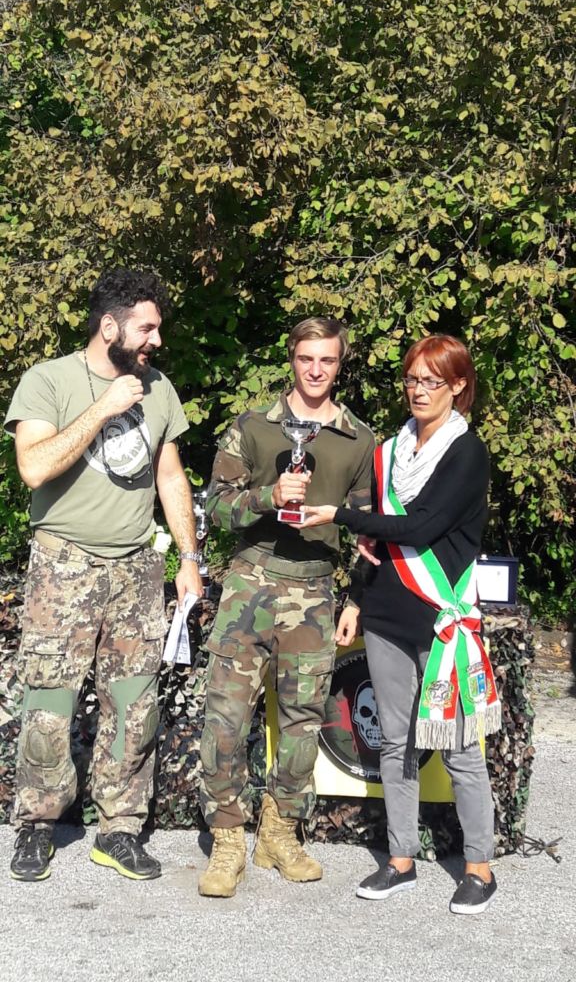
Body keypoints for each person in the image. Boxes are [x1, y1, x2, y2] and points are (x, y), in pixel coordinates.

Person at [5, 267, 202, 883]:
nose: (156, 341)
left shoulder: (159, 387)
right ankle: (38, 824)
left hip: (137, 568)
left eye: (158, 329)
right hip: (64, 564)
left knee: (133, 704)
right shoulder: (49, 380)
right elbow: (34, 467)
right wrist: (104, 406)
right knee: (49, 700)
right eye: (147, 328)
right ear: (110, 326)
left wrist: (189, 559)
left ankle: (119, 829)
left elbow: (169, 475)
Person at [297, 334, 501, 915]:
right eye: (412, 379)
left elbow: (419, 527)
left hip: (440, 621)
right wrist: (356, 599)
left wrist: (339, 514)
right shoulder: (390, 452)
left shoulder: (468, 454)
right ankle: (401, 858)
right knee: (396, 742)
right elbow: (375, 545)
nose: (418, 390)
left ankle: (479, 867)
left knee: (458, 747)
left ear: (457, 386)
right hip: (386, 615)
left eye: (431, 381)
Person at [198, 317, 374, 898]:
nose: (316, 370)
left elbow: (368, 532)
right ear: (292, 359)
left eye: (327, 360)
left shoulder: (359, 440)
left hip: (315, 590)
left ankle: (278, 832)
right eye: (306, 358)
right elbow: (216, 508)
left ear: (340, 364)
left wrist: (357, 597)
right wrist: (266, 498)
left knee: (303, 721)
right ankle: (227, 838)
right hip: (249, 584)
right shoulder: (253, 427)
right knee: (226, 718)